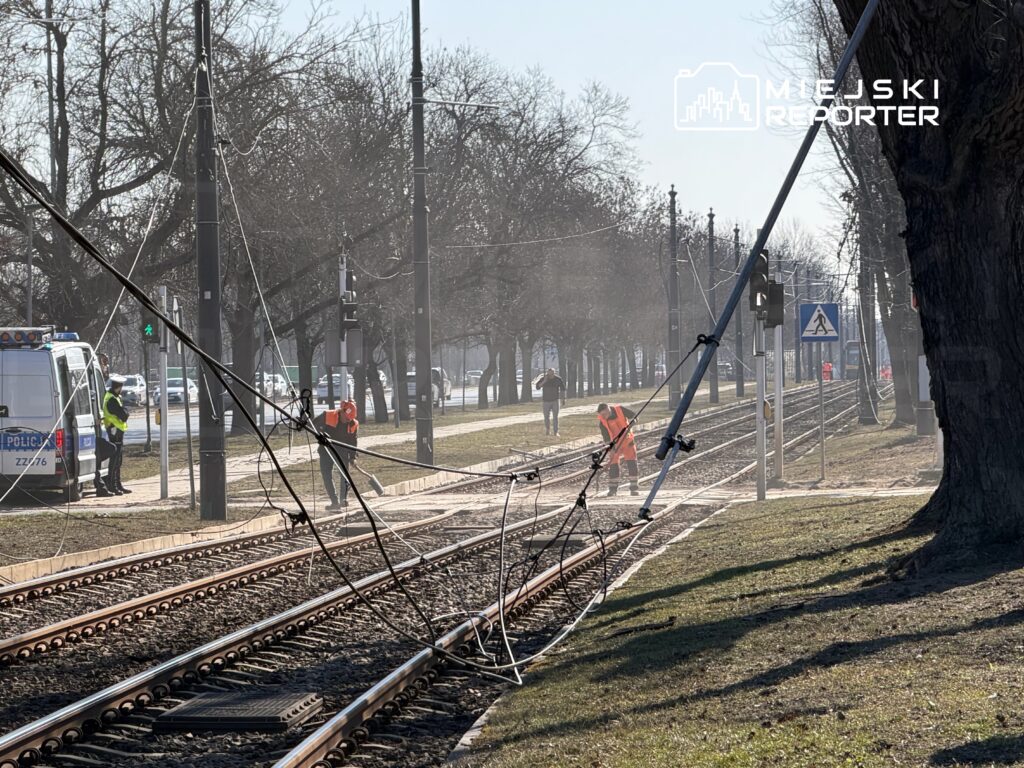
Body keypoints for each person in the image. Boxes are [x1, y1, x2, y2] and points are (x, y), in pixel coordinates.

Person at [313, 399, 358, 510]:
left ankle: (343, 499)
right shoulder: (328, 415)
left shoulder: (353, 423)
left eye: (350, 418)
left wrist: (352, 457)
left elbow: (353, 441)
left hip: (342, 451)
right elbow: (313, 425)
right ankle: (334, 502)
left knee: (344, 475)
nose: (348, 420)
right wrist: (320, 433)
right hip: (326, 450)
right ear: (341, 411)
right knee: (327, 476)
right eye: (346, 418)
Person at [596, 402, 640, 496]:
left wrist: (634, 421)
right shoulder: (602, 422)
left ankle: (634, 488)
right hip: (615, 445)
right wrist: (610, 448)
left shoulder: (620, 410)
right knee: (613, 465)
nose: (603, 416)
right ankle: (612, 489)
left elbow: (634, 415)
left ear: (609, 410)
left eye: (604, 414)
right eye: (601, 415)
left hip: (628, 442)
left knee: (632, 463)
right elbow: (606, 438)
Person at [102, 376, 131, 495]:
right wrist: (125, 411)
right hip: (114, 432)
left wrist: (124, 411)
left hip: (117, 431)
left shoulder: (113, 397)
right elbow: (124, 415)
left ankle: (118, 484)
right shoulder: (112, 399)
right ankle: (112, 485)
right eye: (121, 387)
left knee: (118, 460)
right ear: (118, 387)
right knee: (115, 461)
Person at [534, 368, 566, 436]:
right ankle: (547, 430)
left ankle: (556, 432)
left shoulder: (558, 379)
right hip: (546, 401)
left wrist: (563, 399)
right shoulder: (544, 379)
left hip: (555, 400)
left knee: (555, 417)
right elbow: (537, 387)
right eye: (549, 373)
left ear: (554, 373)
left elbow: (562, 389)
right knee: (546, 417)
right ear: (547, 373)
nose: (551, 375)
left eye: (552, 373)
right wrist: (544, 381)